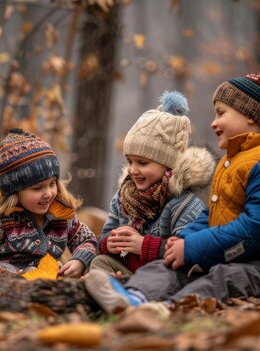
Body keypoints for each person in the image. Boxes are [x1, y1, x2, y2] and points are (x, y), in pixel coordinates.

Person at [85, 69, 260, 314]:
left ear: (251, 115)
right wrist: (185, 241)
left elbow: (256, 228)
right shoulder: (234, 162)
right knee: (168, 268)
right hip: (242, 258)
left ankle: (166, 310)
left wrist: (194, 247)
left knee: (221, 278)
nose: (213, 122)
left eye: (221, 113)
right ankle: (133, 298)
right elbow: (212, 217)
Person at [89, 91, 215, 278]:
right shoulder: (124, 197)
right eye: (130, 161)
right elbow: (104, 236)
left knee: (172, 274)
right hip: (127, 272)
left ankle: (122, 291)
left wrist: (143, 246)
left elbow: (188, 251)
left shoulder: (184, 203)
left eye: (143, 163)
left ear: (168, 165)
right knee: (99, 262)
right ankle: (116, 286)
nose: (132, 170)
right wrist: (109, 244)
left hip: (162, 275)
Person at [0, 128, 97, 278]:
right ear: (14, 191)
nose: (48, 193)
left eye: (52, 184)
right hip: (8, 281)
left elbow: (87, 240)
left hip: (49, 278)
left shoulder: (61, 214)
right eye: (37, 188)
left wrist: (80, 260)